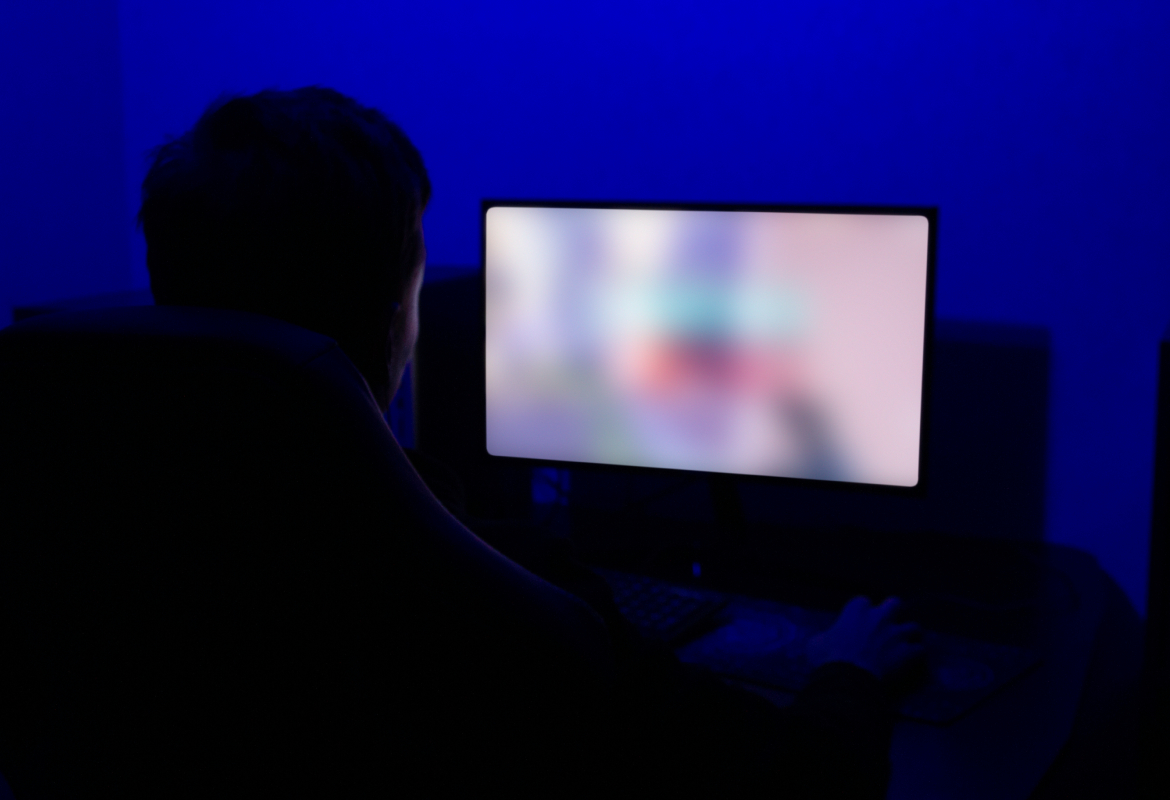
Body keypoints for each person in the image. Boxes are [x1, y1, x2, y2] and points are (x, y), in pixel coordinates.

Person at [17, 86, 924, 797]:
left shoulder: (74, 550)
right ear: (393, 321)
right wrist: (849, 673)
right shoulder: (500, 595)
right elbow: (805, 782)